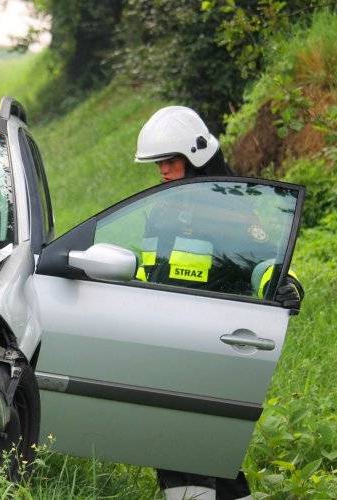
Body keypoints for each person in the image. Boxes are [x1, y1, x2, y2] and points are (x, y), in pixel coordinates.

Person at [134, 105, 303, 500]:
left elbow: (263, 263)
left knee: (180, 447)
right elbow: (148, 270)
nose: (163, 170)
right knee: (209, 453)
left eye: (170, 161)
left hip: (212, 340)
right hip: (163, 337)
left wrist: (282, 286)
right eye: (159, 162)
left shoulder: (233, 209)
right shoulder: (159, 211)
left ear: (195, 157)